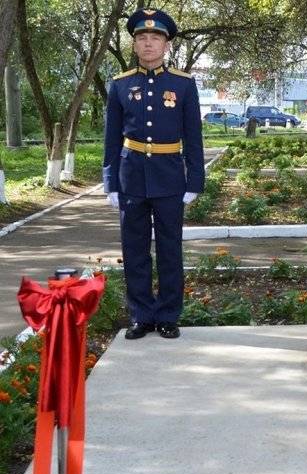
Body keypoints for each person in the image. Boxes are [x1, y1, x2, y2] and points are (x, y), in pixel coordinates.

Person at [102, 8, 204, 340]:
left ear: (166, 45)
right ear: (134, 45)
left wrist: (195, 180)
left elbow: (193, 136)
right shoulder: (120, 85)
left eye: (155, 38)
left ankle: (169, 315)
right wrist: (110, 182)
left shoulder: (184, 85)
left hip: (170, 178)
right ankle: (141, 315)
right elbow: (111, 138)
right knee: (134, 250)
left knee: (170, 249)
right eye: (142, 39)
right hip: (131, 178)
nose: (148, 44)